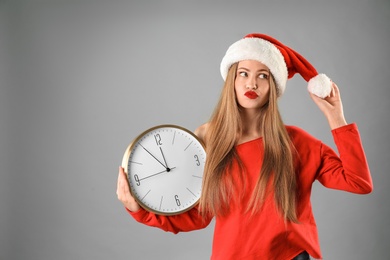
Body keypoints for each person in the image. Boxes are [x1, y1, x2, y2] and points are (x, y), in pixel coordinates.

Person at [116, 33, 373, 259]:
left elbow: (358, 182)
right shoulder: (207, 138)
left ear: (273, 86)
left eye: (263, 76)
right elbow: (198, 215)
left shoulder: (297, 142)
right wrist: (138, 210)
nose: (252, 84)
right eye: (243, 74)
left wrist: (336, 119)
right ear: (232, 80)